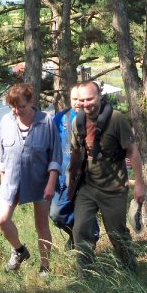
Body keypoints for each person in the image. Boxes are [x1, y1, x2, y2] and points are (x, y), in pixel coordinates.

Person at [71, 80, 145, 277]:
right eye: (82, 100)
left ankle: (131, 271)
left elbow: (133, 151)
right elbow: (76, 153)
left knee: (117, 234)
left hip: (114, 189)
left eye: (90, 99)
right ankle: (85, 275)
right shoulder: (78, 121)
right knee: (80, 230)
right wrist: (70, 184)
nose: (86, 104)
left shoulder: (116, 119)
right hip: (87, 187)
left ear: (99, 96)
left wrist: (139, 184)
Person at [0, 83, 61, 276]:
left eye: (21, 106)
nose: (17, 111)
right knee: (2, 219)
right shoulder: (6, 121)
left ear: (31, 101)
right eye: (13, 107)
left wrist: (51, 183)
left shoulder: (46, 121)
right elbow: (2, 157)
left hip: (40, 182)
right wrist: (3, 182)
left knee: (41, 225)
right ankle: (19, 251)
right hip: (12, 180)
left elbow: (55, 157)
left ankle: (45, 267)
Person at [51, 86, 99, 250]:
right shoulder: (60, 118)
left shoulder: (96, 119)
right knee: (57, 214)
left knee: (85, 210)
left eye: (81, 99)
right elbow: (51, 145)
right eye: (74, 99)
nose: (78, 103)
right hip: (64, 177)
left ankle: (88, 240)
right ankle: (77, 234)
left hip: (88, 177)